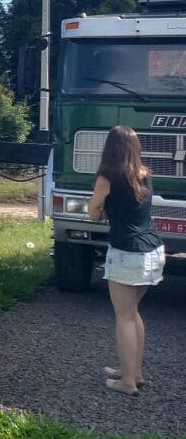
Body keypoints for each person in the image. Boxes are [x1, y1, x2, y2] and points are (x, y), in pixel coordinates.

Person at [88, 125, 165, 396]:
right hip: (153, 250)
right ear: (135, 148)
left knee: (124, 317)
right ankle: (134, 371)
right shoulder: (144, 174)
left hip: (127, 252)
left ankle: (127, 382)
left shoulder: (107, 176)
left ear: (109, 147)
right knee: (133, 313)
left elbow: (93, 212)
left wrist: (100, 210)